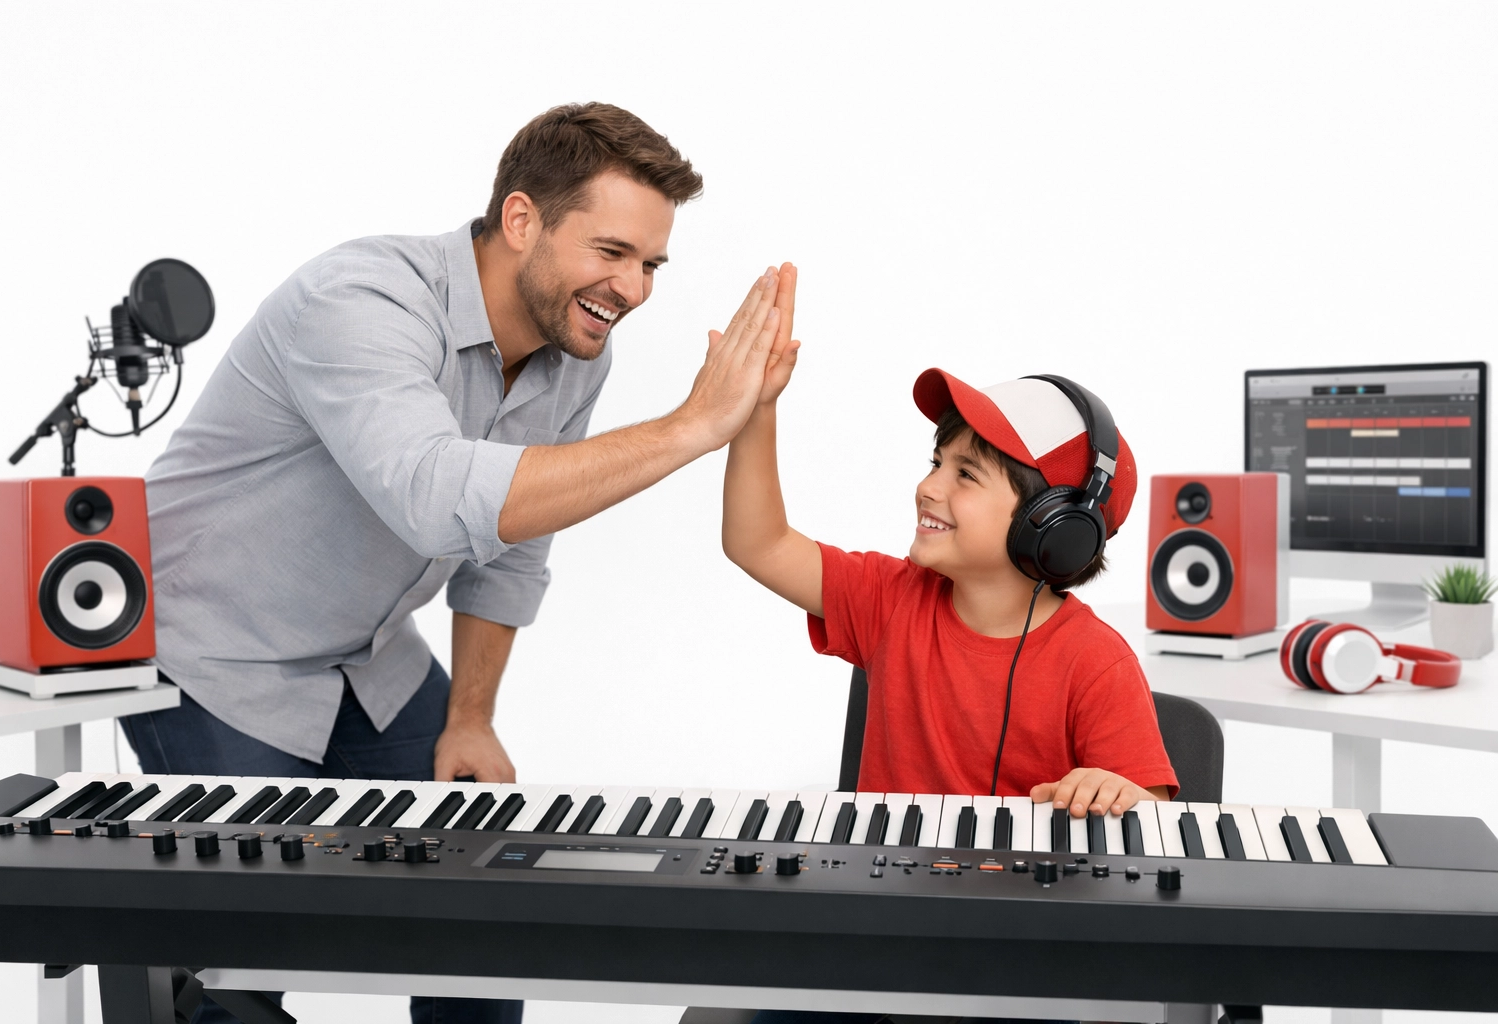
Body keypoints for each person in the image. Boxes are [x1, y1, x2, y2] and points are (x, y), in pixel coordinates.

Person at [118, 102, 793, 1024]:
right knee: (239, 967)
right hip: (217, 652)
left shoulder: (574, 351)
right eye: (611, 252)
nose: (633, 289)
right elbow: (437, 498)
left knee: (489, 903)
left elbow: (511, 546)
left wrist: (471, 715)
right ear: (521, 220)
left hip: (368, 654)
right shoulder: (360, 300)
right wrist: (690, 428)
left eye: (650, 265)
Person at [721, 332, 1178, 1024]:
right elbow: (757, 542)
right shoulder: (891, 598)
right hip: (876, 932)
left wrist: (1117, 792)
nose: (928, 487)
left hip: (1020, 955)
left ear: (1054, 527)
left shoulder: (1097, 662)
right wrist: (756, 409)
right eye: (937, 462)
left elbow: (1154, 827)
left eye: (966, 474)